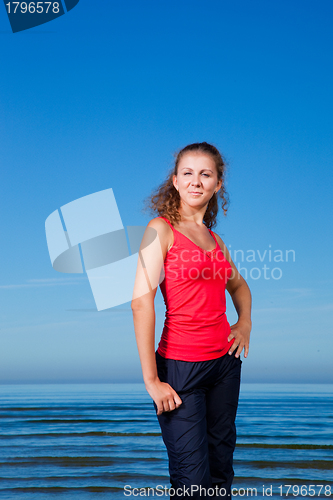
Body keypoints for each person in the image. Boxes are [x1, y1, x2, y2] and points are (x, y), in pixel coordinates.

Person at [131, 142, 252, 499]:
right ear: (175, 181)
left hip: (225, 366)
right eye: (188, 173)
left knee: (220, 474)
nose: (196, 181)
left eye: (205, 174)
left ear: (218, 184)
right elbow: (141, 303)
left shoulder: (216, 241)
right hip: (180, 367)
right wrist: (151, 379)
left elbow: (240, 287)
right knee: (192, 482)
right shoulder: (161, 230)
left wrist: (244, 324)